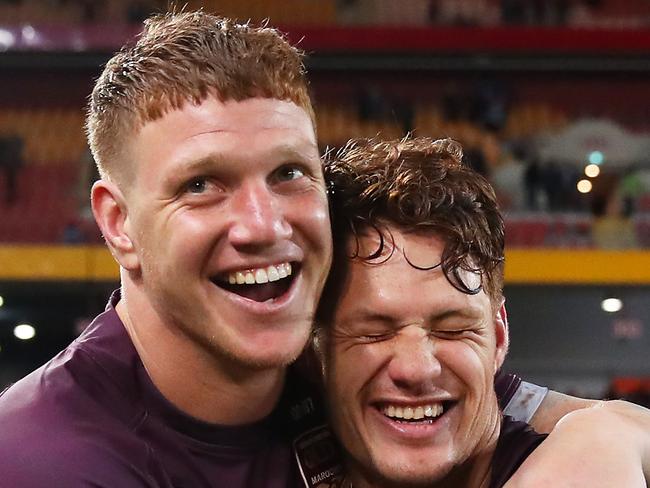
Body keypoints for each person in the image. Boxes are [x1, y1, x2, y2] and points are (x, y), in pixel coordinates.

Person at [0, 9, 647, 488]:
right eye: (202, 184)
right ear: (118, 223)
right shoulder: (49, 462)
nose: (262, 224)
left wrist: (603, 436)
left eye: (288, 174)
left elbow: (515, 402)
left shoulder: (318, 369)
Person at [317, 136, 649, 487]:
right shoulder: (271, 457)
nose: (417, 369)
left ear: (498, 338)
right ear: (315, 349)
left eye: (452, 330)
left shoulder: (575, 462)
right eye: (375, 332)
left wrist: (603, 433)